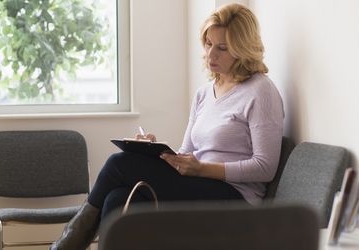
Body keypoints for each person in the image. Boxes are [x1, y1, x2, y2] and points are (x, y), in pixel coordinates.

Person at [50, 3, 284, 250]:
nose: (211, 54)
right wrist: (158, 151)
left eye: (223, 48)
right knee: (117, 198)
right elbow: (186, 152)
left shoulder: (261, 90)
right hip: (201, 184)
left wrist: (203, 169)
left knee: (117, 164)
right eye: (208, 44)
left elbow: (265, 167)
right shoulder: (204, 93)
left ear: (243, 50)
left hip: (235, 198)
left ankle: (65, 246)